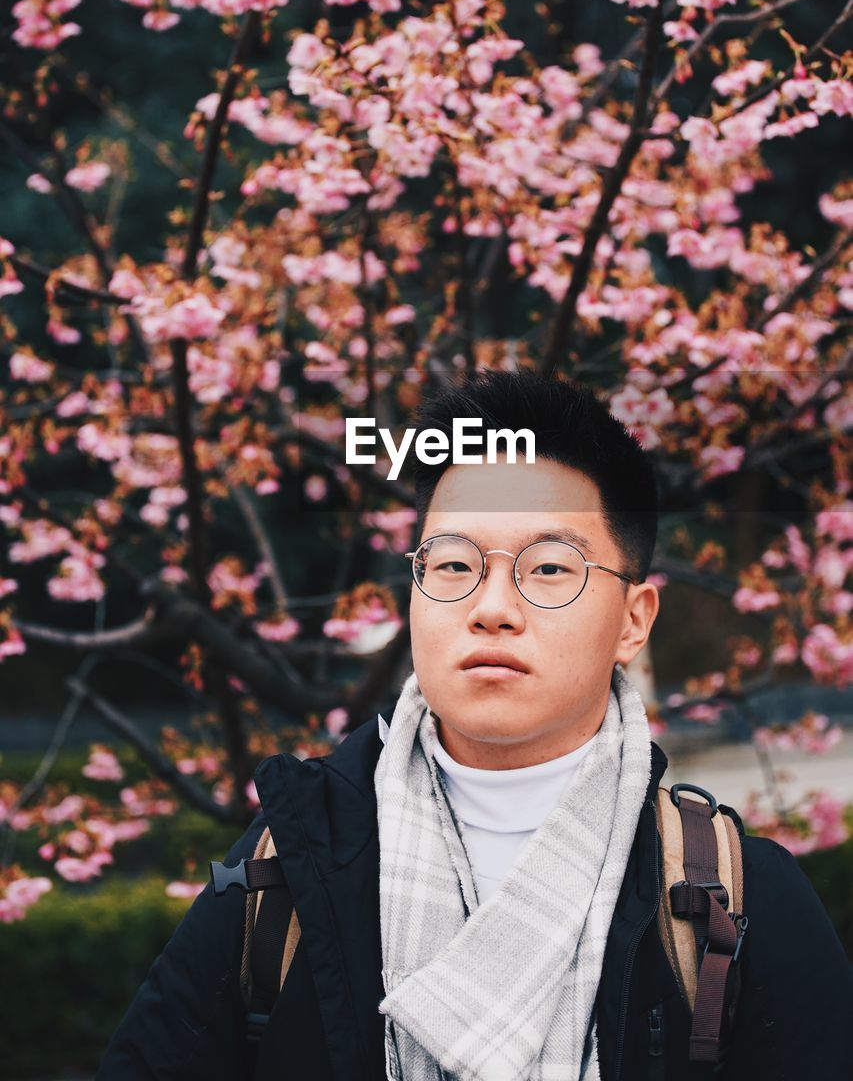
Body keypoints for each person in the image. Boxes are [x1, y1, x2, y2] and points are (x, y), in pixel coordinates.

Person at [99, 370, 852, 1080]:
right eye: (454, 565)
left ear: (633, 619)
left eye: (550, 568)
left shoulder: (731, 897)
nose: (491, 607)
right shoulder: (283, 872)